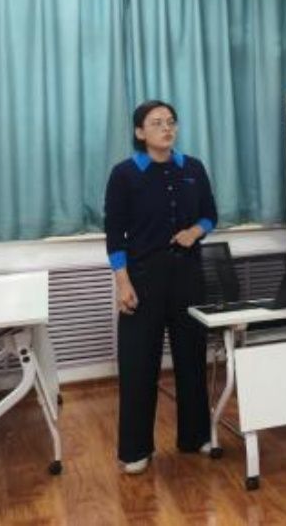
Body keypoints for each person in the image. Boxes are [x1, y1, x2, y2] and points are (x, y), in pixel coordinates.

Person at [104, 100, 217, 474]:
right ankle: (136, 449)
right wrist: (122, 283)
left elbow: (210, 215)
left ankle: (195, 436)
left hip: (187, 277)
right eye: (156, 123)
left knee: (192, 360)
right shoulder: (124, 174)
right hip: (142, 280)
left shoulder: (193, 168)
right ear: (140, 132)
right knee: (138, 366)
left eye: (171, 122)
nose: (166, 128)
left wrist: (195, 232)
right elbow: (114, 235)